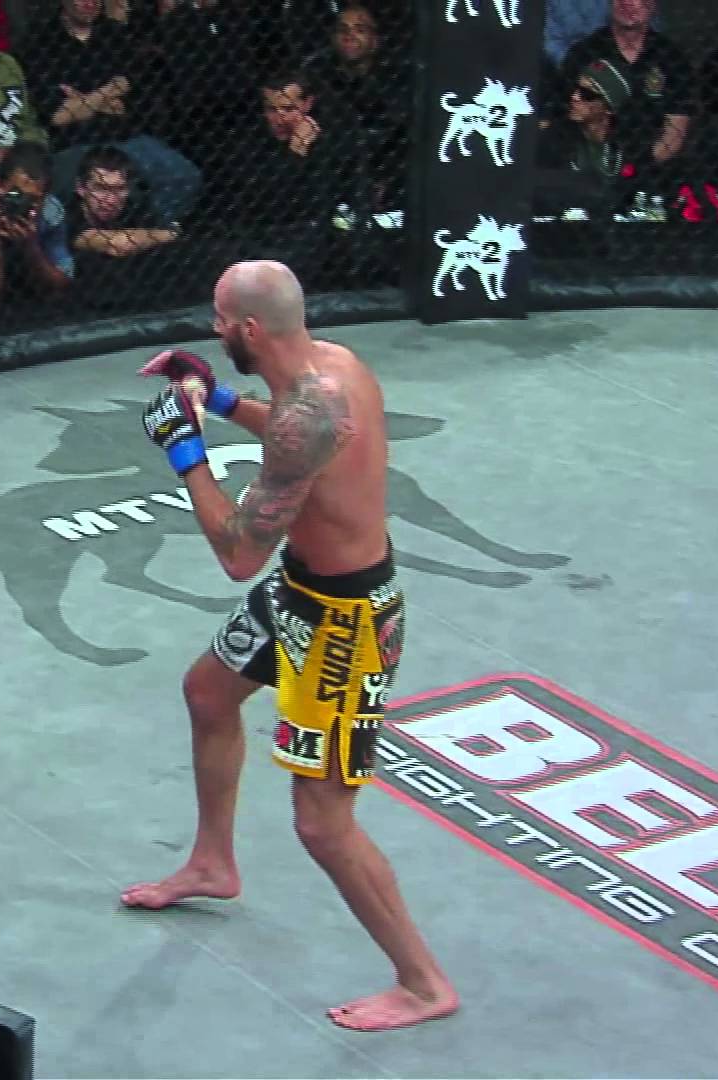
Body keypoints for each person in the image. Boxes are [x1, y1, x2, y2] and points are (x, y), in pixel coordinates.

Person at [119, 260, 459, 1033]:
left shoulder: (311, 411)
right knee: (208, 691)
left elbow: (239, 554)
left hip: (346, 625)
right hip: (300, 592)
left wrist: (186, 453)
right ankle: (213, 862)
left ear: (248, 328)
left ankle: (423, 982)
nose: (212, 330)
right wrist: (219, 400)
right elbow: (292, 433)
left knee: (322, 823)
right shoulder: (330, 367)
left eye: (219, 320)